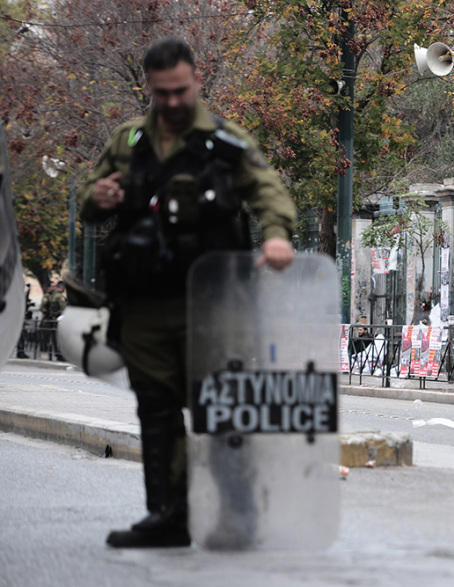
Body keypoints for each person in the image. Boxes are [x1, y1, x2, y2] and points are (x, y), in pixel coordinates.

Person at [79, 37, 297, 548]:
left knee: (222, 407)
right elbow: (90, 200)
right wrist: (100, 196)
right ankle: (170, 515)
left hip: (215, 305)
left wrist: (277, 235)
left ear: (196, 80)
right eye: (162, 94)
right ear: (150, 90)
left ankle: (239, 513)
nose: (173, 102)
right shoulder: (127, 141)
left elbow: (267, 189)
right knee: (155, 409)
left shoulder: (224, 140)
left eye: (180, 90)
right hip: (145, 304)